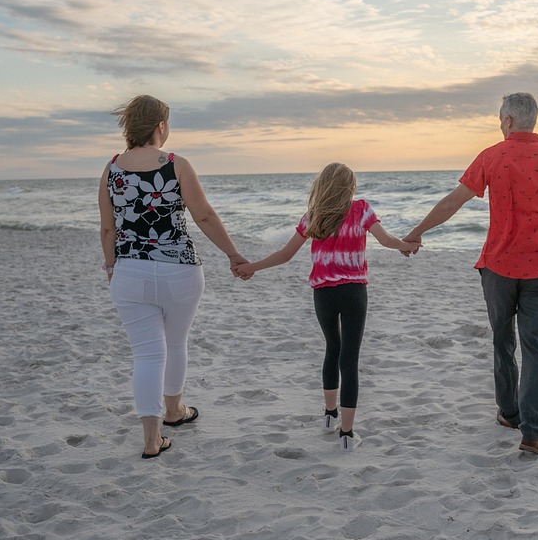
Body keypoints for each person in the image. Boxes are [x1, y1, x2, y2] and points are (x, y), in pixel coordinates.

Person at [405, 93, 538, 455]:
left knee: (503, 340)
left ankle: (509, 413)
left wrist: (418, 231)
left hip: (499, 267)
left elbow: (454, 201)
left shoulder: (491, 156)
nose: (500, 124)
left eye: (500, 118)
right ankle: (533, 432)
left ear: (510, 120)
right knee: (537, 347)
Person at [98, 95, 248, 459]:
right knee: (175, 343)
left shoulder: (112, 168)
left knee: (147, 354)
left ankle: (152, 440)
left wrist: (112, 267)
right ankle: (174, 412)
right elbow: (205, 216)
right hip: (178, 267)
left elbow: (107, 229)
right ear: (160, 126)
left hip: (130, 270)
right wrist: (233, 254)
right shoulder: (176, 164)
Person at [233, 162, 418, 452]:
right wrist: (405, 246)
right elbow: (386, 240)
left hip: (324, 294)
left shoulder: (313, 216)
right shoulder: (361, 209)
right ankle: (347, 434)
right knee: (350, 357)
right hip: (354, 292)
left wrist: (252, 267)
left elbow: (285, 254)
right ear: (350, 187)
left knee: (333, 348)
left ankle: (330, 417)